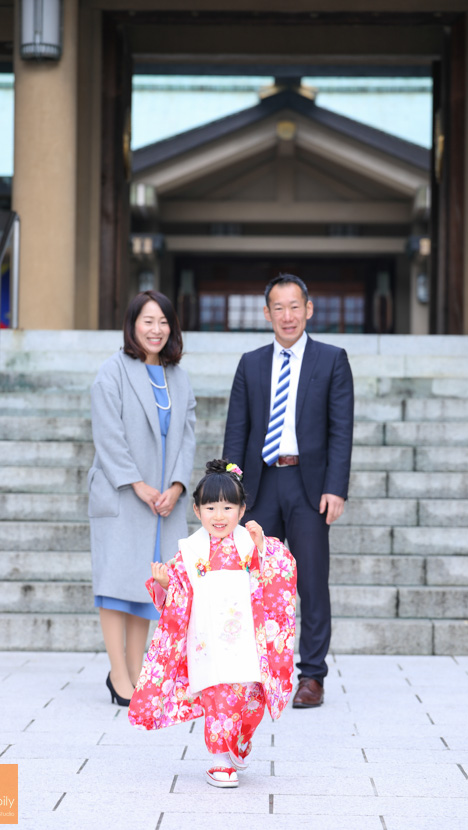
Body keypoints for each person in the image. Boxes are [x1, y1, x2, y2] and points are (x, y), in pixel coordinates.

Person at [222, 274, 354, 708]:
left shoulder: (332, 360)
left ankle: (311, 676)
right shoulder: (251, 363)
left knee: (311, 582)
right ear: (267, 314)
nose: (287, 315)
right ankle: (256, 670)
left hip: (309, 486)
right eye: (278, 308)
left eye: (295, 306)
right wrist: (230, 492)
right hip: (261, 485)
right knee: (255, 582)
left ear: (309, 310)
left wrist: (336, 487)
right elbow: (236, 433)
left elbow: (341, 431)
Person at [128, 460, 296, 789]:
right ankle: (221, 760)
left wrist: (264, 547)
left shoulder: (250, 544)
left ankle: (241, 739)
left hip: (246, 637)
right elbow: (174, 599)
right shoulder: (190, 551)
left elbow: (281, 574)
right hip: (208, 641)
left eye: (227, 507)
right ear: (196, 510)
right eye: (210, 507)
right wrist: (163, 584)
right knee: (219, 697)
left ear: (242, 509)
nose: (219, 516)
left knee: (247, 698)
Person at [88, 290, 196, 707]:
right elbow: (107, 433)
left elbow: (187, 436)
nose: (156, 329)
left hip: (164, 500)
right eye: (148, 321)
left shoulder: (179, 376)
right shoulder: (112, 372)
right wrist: (137, 484)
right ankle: (119, 676)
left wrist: (176, 486)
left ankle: (137, 674)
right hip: (123, 494)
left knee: (148, 589)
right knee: (117, 587)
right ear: (133, 325)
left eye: (164, 321)